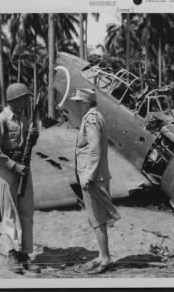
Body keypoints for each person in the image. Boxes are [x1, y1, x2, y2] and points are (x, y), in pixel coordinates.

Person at [0, 83, 40, 274]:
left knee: (26, 211)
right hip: (8, 169)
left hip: (24, 168)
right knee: (10, 212)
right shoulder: (1, 120)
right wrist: (13, 165)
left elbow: (26, 144)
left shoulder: (23, 119)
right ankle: (11, 254)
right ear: (15, 100)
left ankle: (25, 253)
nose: (27, 102)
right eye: (24, 98)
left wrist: (33, 137)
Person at [70, 88, 121, 274]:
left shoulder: (91, 119)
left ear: (84, 102)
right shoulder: (96, 116)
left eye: (77, 102)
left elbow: (94, 149)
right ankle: (102, 255)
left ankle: (105, 259)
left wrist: (88, 175)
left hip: (93, 177)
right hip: (97, 175)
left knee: (97, 220)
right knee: (97, 219)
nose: (75, 105)